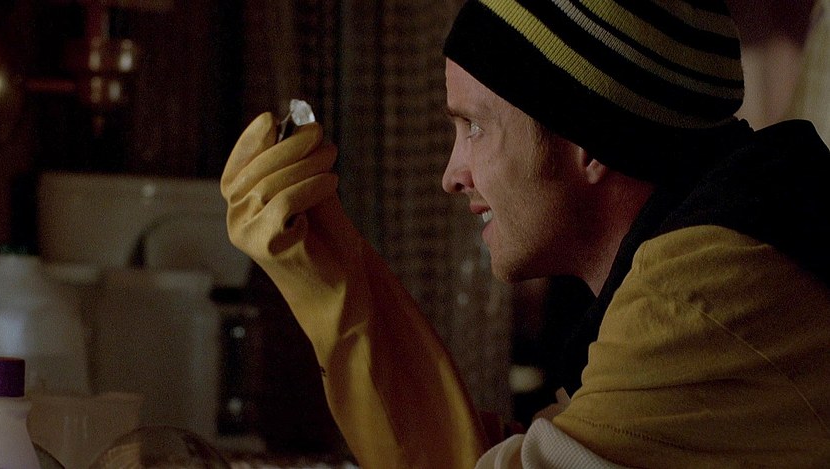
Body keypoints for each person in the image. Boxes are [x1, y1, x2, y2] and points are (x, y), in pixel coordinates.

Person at [221, 0, 830, 467]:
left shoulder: (699, 298)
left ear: (588, 139)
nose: (451, 175)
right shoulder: (718, 245)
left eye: (475, 128)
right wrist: (329, 272)